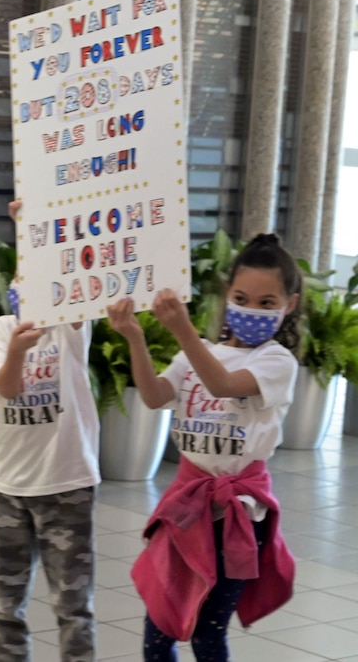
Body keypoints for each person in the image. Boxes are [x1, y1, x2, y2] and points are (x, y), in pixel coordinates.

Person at [105, 233, 300, 661]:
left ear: (290, 305)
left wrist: (180, 327)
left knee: (207, 634)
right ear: (227, 296)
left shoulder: (276, 361)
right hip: (186, 510)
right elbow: (156, 396)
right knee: (159, 627)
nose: (251, 310)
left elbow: (223, 384)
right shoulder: (200, 352)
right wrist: (135, 338)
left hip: (238, 515)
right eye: (242, 297)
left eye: (267, 303)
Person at [0, 202, 100, 662]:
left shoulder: (70, 328)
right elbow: (6, 389)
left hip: (67, 485)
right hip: (11, 488)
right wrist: (16, 351)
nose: (24, 287)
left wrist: (37, 228)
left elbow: (70, 270)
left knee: (73, 606)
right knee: (5, 605)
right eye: (18, 278)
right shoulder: (0, 329)